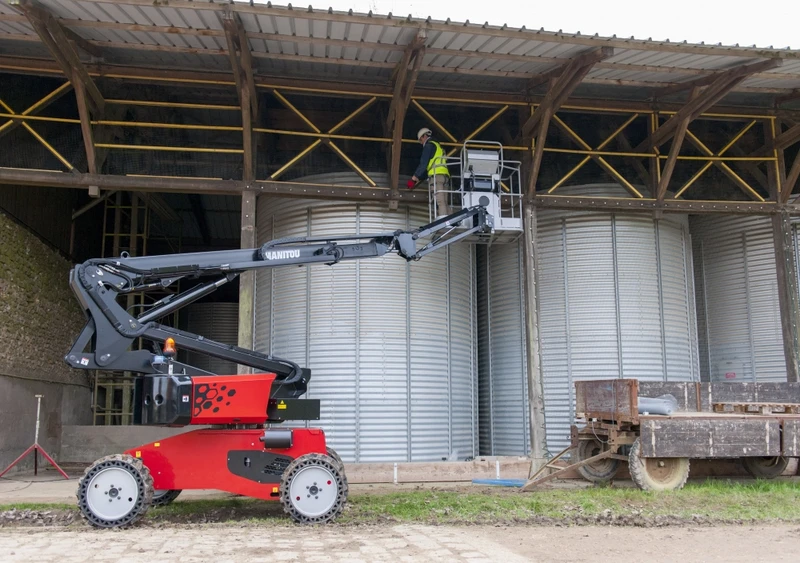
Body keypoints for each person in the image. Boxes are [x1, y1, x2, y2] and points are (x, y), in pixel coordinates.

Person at [407, 127, 451, 217]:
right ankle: (451, 220)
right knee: (445, 202)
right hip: (445, 176)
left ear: (424, 136)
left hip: (436, 176)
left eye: (420, 140)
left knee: (440, 201)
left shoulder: (428, 146)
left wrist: (414, 177)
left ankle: (444, 221)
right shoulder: (439, 147)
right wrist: (419, 178)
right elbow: (430, 165)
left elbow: (423, 164)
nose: (421, 142)